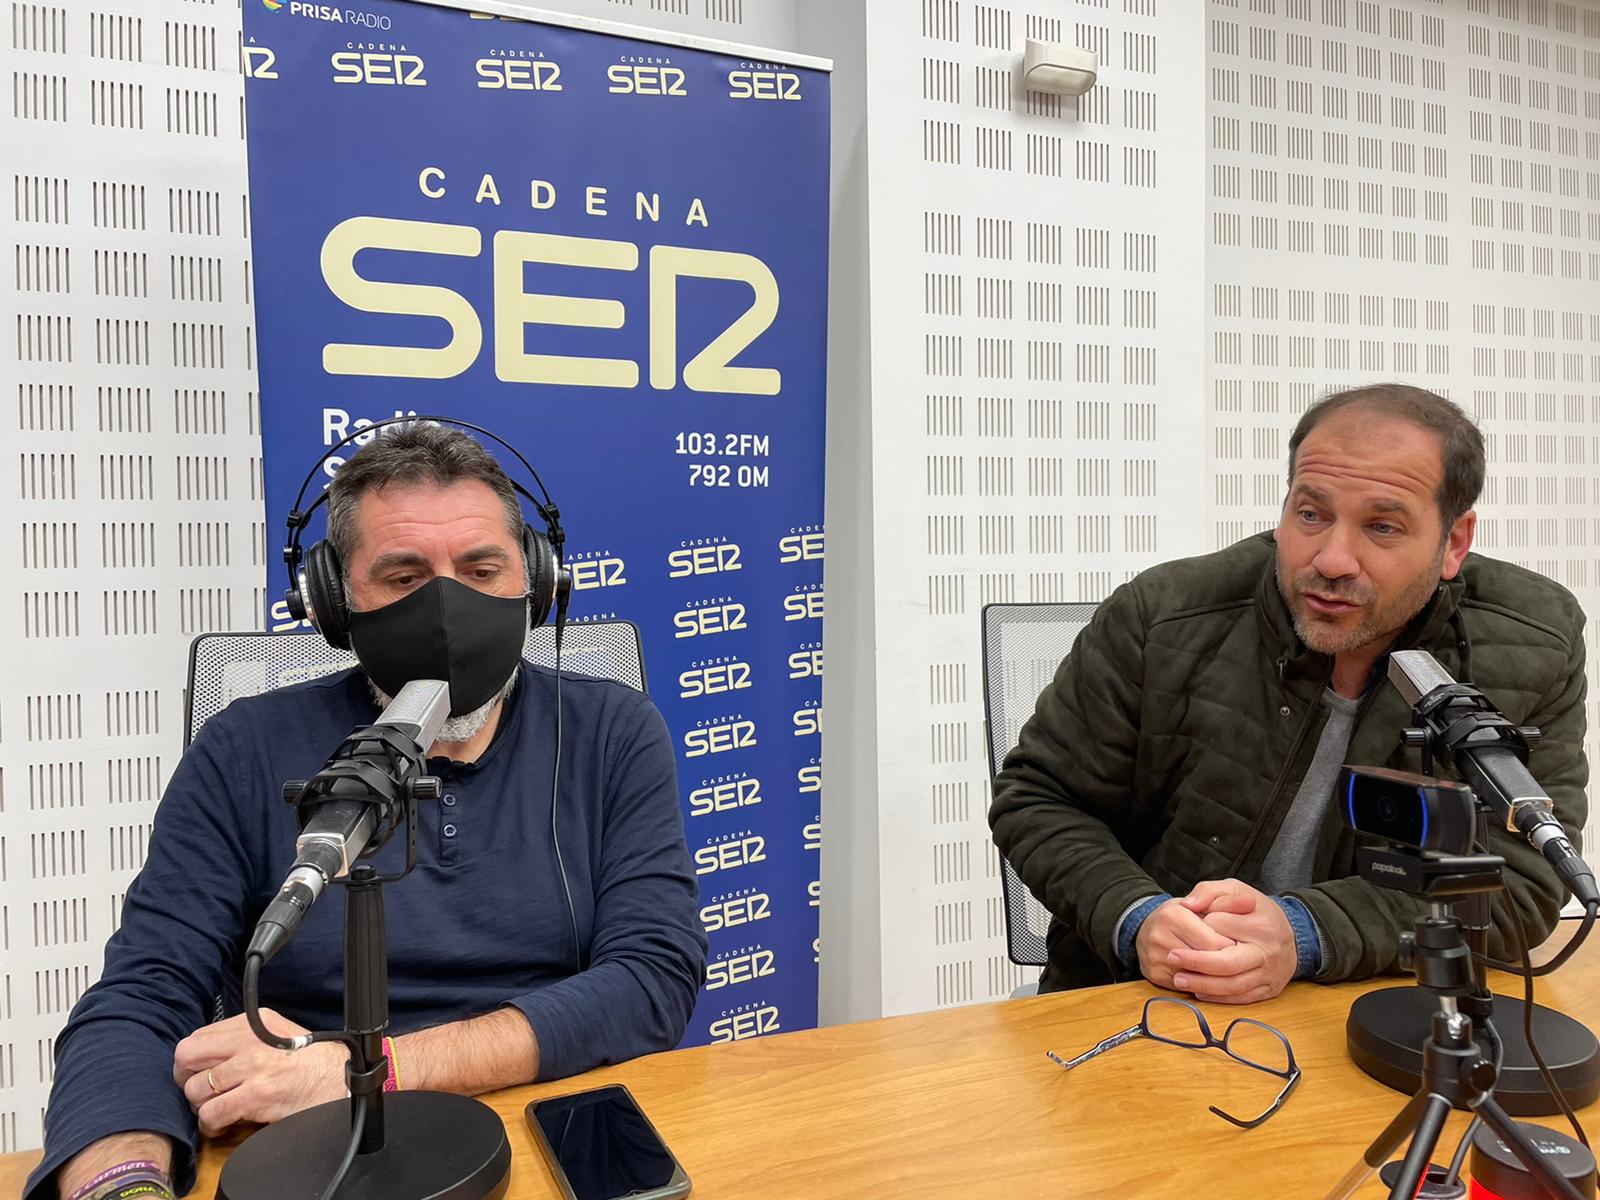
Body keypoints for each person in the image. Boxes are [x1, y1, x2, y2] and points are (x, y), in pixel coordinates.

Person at [30, 424, 707, 1200]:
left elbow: (653, 975)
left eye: (483, 568)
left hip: (548, 1127)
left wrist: (371, 1070)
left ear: (539, 581)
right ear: (333, 601)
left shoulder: (612, 732)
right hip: (317, 1153)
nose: (450, 605)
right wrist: (123, 1181)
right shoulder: (245, 748)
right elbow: (140, 1000)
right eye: (404, 576)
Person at [991, 383, 1588, 1002]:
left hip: (1373, 1000)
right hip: (1144, 997)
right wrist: (1137, 916)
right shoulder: (1162, 614)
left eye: (1381, 527)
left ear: (1453, 543)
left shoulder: (1534, 641)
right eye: (1311, 514)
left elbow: (1523, 878)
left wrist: (1303, 932)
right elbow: (1040, 798)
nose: (1331, 559)